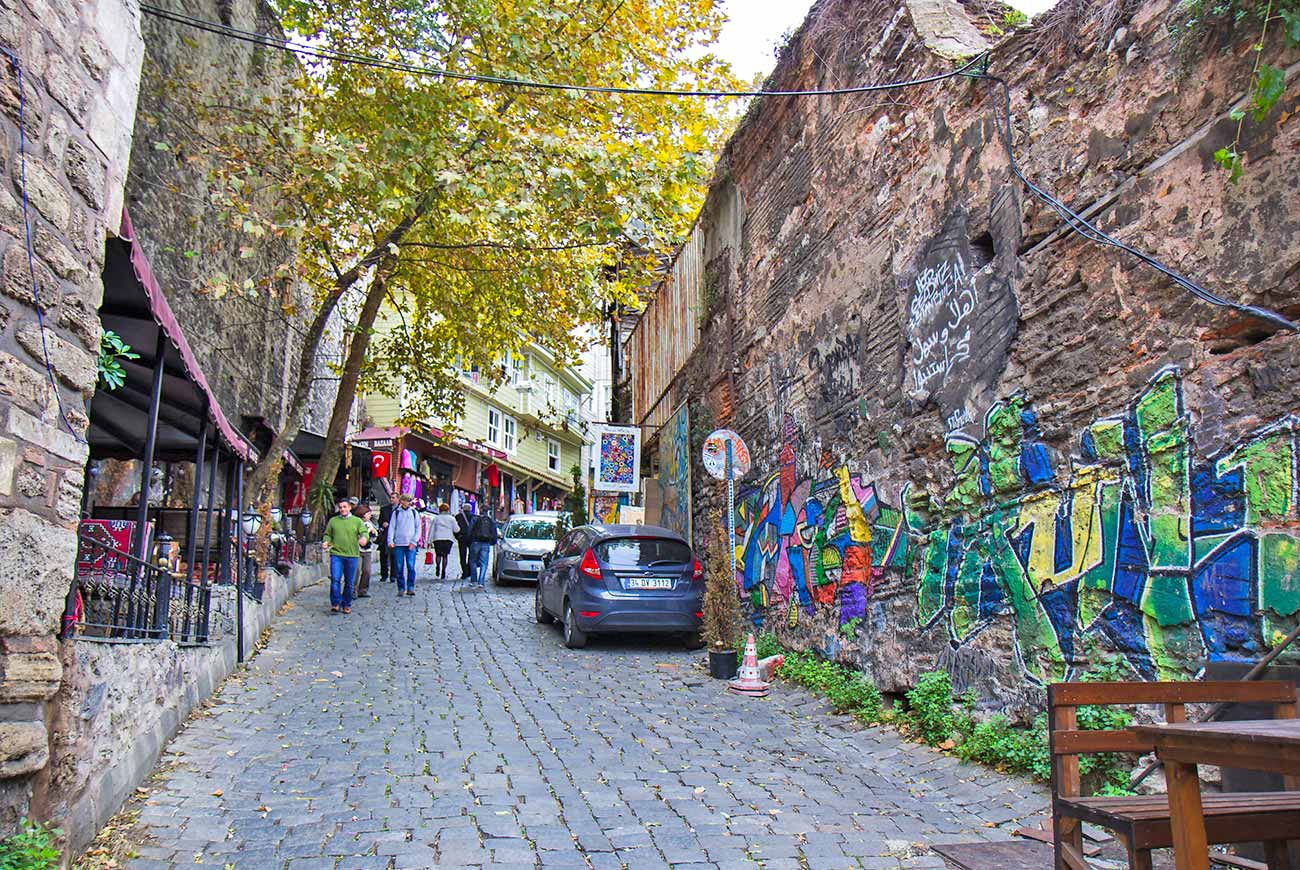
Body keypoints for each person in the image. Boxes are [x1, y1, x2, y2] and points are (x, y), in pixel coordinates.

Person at [322, 496, 368, 614]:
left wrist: (363, 538)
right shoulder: (333, 521)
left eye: (345, 507)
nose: (342, 509)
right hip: (336, 554)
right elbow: (327, 534)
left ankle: (346, 604)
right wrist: (326, 541)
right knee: (335, 579)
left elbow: (364, 533)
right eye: (340, 507)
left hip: (352, 555)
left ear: (350, 508)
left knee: (349, 581)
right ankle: (335, 603)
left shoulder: (357, 521)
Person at [387, 493, 421, 597]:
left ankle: (410, 587)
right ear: (401, 501)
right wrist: (390, 541)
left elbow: (418, 528)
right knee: (399, 566)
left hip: (410, 543)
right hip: (399, 543)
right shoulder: (396, 512)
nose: (406, 503)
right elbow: (392, 527)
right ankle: (401, 587)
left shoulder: (414, 513)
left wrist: (414, 542)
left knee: (411, 566)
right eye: (404, 500)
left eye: (408, 501)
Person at [468, 507, 498, 590]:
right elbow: (494, 532)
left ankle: (474, 580)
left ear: (480, 510)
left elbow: (469, 531)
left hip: (475, 542)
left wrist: (469, 541)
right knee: (484, 563)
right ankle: (481, 582)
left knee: (473, 561)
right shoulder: (491, 520)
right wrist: (493, 542)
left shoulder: (475, 519)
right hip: (486, 543)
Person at [355, 504, 377, 599]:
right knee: (356, 570)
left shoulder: (370, 524)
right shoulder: (356, 523)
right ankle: (352, 589)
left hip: (367, 550)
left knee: (367, 570)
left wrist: (373, 534)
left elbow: (375, 537)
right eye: (368, 514)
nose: (370, 516)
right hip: (357, 550)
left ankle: (363, 590)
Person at [432, 502, 458, 580]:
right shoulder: (451, 518)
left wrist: (429, 540)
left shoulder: (436, 518)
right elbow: (456, 529)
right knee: (445, 556)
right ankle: (443, 571)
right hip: (448, 538)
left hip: (438, 538)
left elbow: (432, 529)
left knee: (438, 555)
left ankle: (438, 567)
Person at [378, 490, 398, 583]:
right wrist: (383, 523)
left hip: (396, 535)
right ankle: (384, 574)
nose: (391, 499)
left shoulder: (399, 510)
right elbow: (379, 521)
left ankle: (393, 575)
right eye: (391, 497)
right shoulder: (384, 509)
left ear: (398, 499)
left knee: (394, 556)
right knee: (383, 555)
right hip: (385, 534)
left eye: (393, 498)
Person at [454, 501, 473, 581]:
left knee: (462, 555)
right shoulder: (473, 516)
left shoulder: (458, 516)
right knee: (471, 555)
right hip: (471, 538)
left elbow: (455, 527)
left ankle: (464, 572)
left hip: (461, 537)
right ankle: (469, 570)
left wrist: (457, 536)